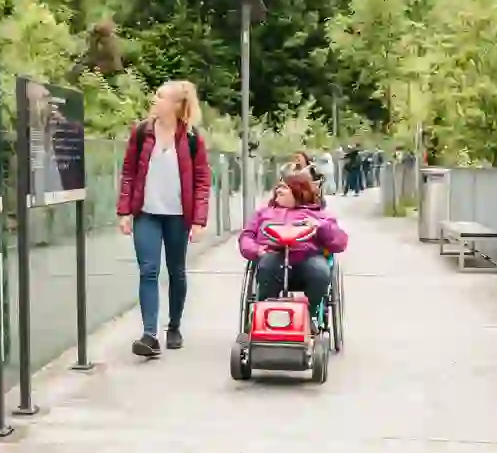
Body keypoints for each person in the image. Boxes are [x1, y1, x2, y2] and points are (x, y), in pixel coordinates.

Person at [117, 80, 211, 357]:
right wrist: (124, 211)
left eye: (160, 96)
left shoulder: (193, 138)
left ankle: (175, 326)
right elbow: (129, 173)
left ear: (176, 105)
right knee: (148, 271)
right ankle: (149, 335)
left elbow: (203, 180)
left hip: (178, 216)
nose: (154, 100)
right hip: (146, 213)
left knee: (176, 271)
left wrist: (198, 220)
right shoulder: (141, 132)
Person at [238, 171, 348, 322]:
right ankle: (264, 315)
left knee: (320, 272)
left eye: (284, 187)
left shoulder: (319, 214)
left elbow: (340, 242)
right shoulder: (263, 213)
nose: (278, 190)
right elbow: (247, 236)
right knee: (267, 266)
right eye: (278, 187)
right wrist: (256, 250)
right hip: (273, 254)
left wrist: (321, 227)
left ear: (298, 191)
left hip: (307, 257)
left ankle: (312, 314)